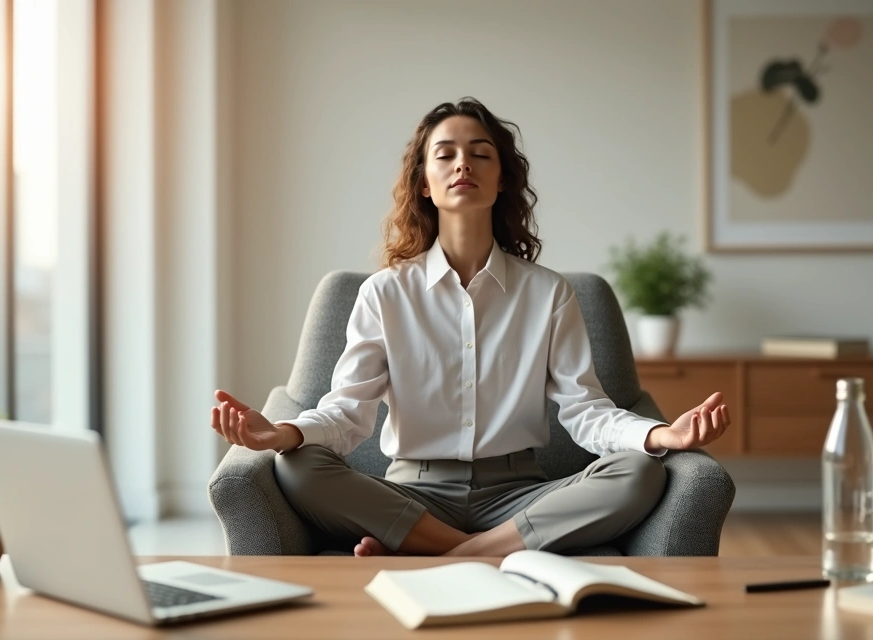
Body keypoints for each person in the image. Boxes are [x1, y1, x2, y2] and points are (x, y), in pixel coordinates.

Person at [209, 97, 730, 558]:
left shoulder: (549, 293)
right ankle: (486, 549)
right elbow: (348, 413)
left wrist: (661, 434)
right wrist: (282, 433)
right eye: (446, 154)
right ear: (425, 184)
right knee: (297, 467)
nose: (464, 164)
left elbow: (587, 411)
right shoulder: (384, 293)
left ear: (501, 179)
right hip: (413, 494)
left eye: (481, 153)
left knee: (639, 470)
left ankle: (435, 551)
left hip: (521, 495)